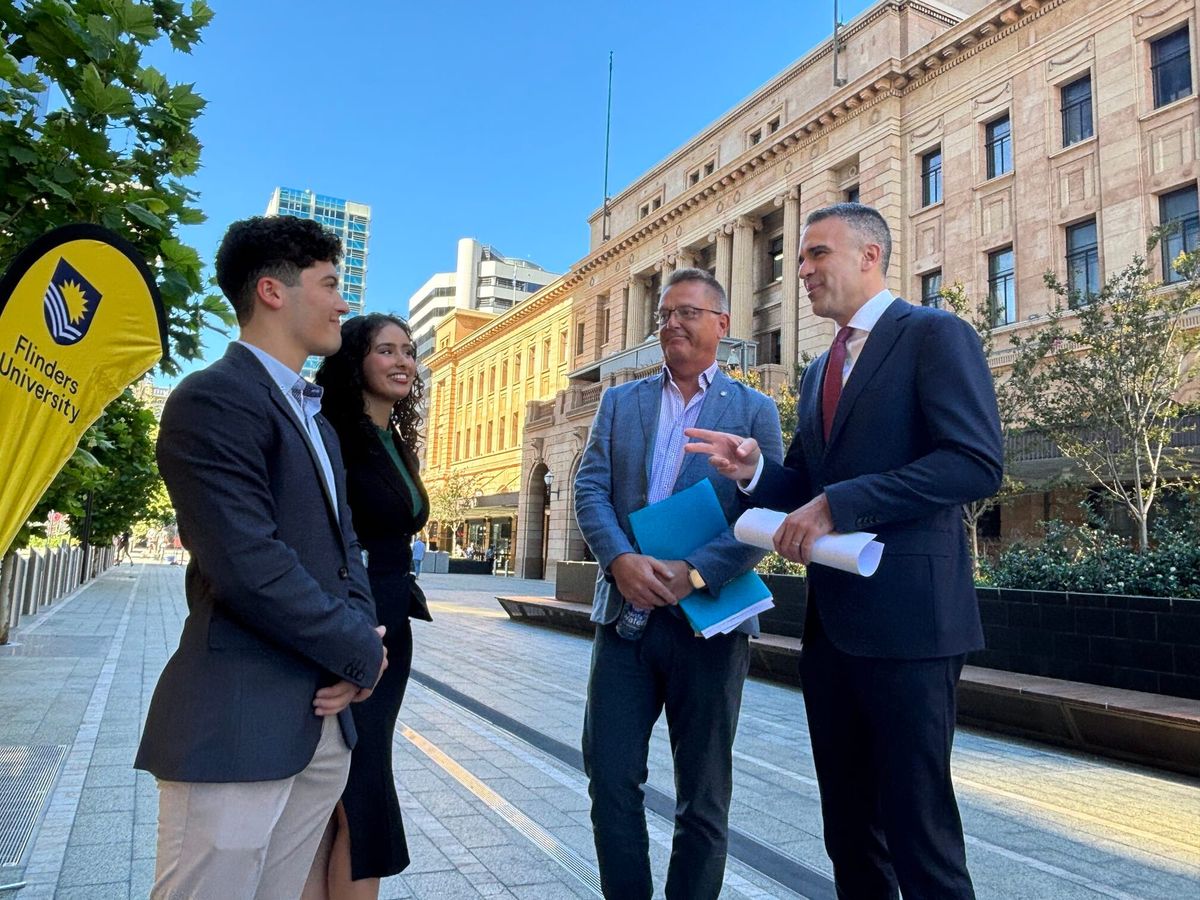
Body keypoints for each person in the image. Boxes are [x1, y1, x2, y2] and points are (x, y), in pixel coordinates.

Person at [685, 203, 1002, 899]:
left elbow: (975, 463)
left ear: (870, 255)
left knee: (920, 835)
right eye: (800, 258)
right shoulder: (819, 368)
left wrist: (844, 502)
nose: (802, 271)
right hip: (833, 635)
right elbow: (806, 483)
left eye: (817, 254)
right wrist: (754, 473)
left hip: (912, 627)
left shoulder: (933, 334)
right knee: (850, 833)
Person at [135, 216, 388, 899]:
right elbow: (248, 563)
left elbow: (345, 554)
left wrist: (361, 644)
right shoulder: (211, 399)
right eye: (332, 284)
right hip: (237, 725)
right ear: (273, 292)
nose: (344, 303)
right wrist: (360, 651)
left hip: (323, 722)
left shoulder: (316, 418)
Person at [574, 267, 784, 899]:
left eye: (687, 312)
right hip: (626, 620)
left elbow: (765, 512)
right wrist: (619, 561)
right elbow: (589, 488)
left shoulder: (754, 411)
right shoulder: (620, 401)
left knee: (703, 794)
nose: (672, 324)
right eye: (665, 314)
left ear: (721, 324)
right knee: (609, 778)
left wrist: (695, 571)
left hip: (711, 626)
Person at [308, 313, 431, 899]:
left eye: (409, 351)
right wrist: (342, 640)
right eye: (387, 351)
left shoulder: (393, 440)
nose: (404, 361)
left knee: (350, 789)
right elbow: (321, 541)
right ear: (356, 360)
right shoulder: (333, 433)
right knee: (356, 792)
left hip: (391, 622)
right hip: (356, 625)